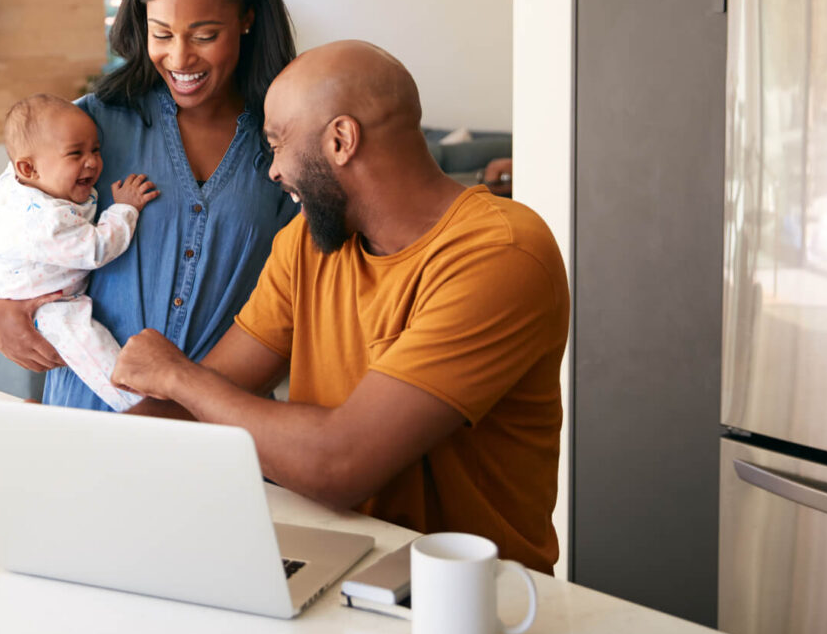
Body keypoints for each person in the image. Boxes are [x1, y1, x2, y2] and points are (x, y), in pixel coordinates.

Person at [112, 41, 569, 573]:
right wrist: (74, 455)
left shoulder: (500, 253)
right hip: (336, 568)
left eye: (277, 143)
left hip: (471, 601)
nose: (273, 170)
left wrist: (177, 375)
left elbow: (339, 464)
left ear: (341, 140)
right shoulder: (307, 243)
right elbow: (211, 401)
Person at [0, 0, 298, 410]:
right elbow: (16, 221)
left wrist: (188, 404)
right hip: (89, 417)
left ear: (247, 19)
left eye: (205, 35)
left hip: (221, 420)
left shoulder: (286, 140)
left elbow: (297, 302)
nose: (180, 57)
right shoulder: (89, 126)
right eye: (161, 33)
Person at [0, 94, 159, 411]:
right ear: (29, 168)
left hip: (28, 285)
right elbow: (96, 248)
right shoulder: (47, 221)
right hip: (44, 303)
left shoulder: (16, 181)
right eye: (75, 154)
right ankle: (132, 401)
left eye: (95, 150)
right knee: (88, 343)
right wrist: (124, 209)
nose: (92, 162)